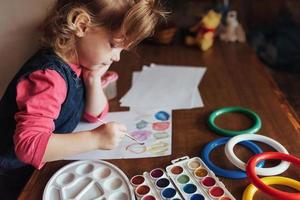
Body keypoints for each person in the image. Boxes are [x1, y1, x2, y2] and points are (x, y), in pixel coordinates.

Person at [0, 0, 166, 198]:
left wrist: (93, 80)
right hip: (16, 178)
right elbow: (29, 147)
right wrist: (96, 139)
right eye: (113, 45)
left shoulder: (79, 63)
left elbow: (94, 115)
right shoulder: (48, 79)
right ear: (82, 25)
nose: (117, 58)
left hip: (43, 166)